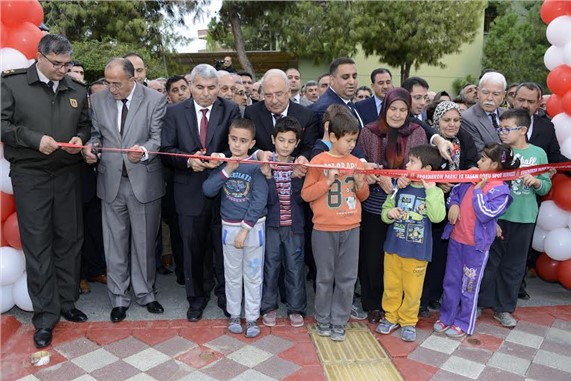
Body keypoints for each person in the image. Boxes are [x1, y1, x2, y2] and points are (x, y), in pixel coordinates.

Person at [1, 34, 91, 348]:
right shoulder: (12, 85)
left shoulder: (76, 89)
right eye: (57, 64)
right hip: (30, 175)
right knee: (38, 245)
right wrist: (32, 138)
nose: (62, 70)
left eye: (67, 65)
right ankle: (45, 317)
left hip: (67, 174)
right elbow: (2, 124)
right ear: (40, 57)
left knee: (70, 239)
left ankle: (67, 302)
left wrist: (81, 138)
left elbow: (85, 124)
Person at [82, 57, 166, 323]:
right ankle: (118, 298)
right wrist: (91, 148)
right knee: (114, 244)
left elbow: (157, 139)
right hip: (111, 182)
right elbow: (96, 135)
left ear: (133, 80)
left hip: (143, 181)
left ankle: (145, 293)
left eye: (117, 83)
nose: (112, 88)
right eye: (108, 82)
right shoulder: (98, 101)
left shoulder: (154, 100)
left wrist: (142, 152)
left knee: (143, 243)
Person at [161, 64, 241, 322]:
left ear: (219, 88)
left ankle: (226, 296)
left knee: (223, 248)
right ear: (190, 86)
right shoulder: (173, 112)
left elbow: (237, 145)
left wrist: (225, 156)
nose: (206, 93)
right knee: (192, 249)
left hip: (224, 190)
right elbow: (166, 149)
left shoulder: (230, 109)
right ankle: (196, 299)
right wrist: (187, 161)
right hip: (188, 191)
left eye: (211, 88)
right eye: (200, 87)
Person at [356, 87, 428, 324]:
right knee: (373, 257)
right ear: (384, 108)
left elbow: (422, 165)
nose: (397, 115)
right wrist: (375, 175)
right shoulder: (368, 131)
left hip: (407, 205)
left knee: (401, 258)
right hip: (375, 203)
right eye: (392, 109)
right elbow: (361, 162)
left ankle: (402, 306)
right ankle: (373, 304)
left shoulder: (417, 132)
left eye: (403, 110)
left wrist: (398, 182)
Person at [478, 109, 552, 328]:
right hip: (498, 216)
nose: (502, 133)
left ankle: (504, 308)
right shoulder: (500, 152)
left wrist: (537, 182)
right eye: (500, 128)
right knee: (490, 262)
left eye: (506, 129)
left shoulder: (538, 153)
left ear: (522, 130)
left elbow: (546, 185)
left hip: (525, 218)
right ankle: (481, 302)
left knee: (514, 265)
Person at [434, 143, 516, 338]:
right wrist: (453, 205)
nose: (478, 162)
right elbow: (454, 194)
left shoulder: (501, 191)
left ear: (495, 165)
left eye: (483, 159)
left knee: (469, 285)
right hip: (456, 239)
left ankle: (464, 322)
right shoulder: (470, 177)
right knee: (451, 280)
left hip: (476, 247)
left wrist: (479, 190)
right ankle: (446, 317)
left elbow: (485, 213)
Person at [302, 110, 369, 342]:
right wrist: (327, 181)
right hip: (323, 228)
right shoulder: (318, 162)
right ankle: (322, 318)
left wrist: (360, 183)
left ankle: (339, 321)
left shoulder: (355, 163)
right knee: (324, 277)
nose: (352, 145)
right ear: (332, 136)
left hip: (351, 227)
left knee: (347, 277)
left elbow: (363, 196)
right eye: (348, 140)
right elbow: (306, 194)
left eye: (354, 139)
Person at [202, 118, 269, 338]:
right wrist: (227, 170)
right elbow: (208, 189)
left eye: (243, 141)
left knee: (252, 275)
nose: (237, 145)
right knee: (231, 274)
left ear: (252, 143)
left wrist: (245, 228)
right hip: (228, 227)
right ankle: (233, 314)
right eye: (233, 139)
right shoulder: (223, 163)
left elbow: (260, 200)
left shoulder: (255, 167)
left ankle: (251, 318)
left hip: (252, 229)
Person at [376, 145, 446, 342]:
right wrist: (390, 213)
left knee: (413, 291)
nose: (407, 164)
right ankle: (390, 317)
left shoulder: (436, 193)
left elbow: (437, 217)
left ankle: (408, 321)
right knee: (391, 286)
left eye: (412, 161)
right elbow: (385, 211)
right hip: (393, 248)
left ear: (427, 170)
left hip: (417, 252)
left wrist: (431, 190)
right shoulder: (400, 186)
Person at [419, 101, 478, 318]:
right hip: (430, 202)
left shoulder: (465, 138)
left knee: (445, 253)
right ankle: (421, 299)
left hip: (456, 203)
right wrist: (437, 182)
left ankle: (434, 294)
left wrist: (466, 174)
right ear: (437, 121)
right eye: (447, 120)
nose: (452, 124)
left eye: (456, 120)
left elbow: (473, 163)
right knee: (428, 251)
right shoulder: (428, 139)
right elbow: (420, 167)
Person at [261, 117, 307, 328]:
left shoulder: (300, 167)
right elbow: (265, 198)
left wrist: (298, 177)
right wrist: (268, 176)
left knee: (295, 267)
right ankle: (268, 307)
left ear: (297, 143)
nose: (285, 145)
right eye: (281, 140)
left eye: (290, 141)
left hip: (294, 227)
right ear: (273, 139)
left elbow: (302, 198)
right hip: (271, 225)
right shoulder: (265, 163)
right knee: (270, 266)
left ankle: (296, 308)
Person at [460, 72, 507, 154]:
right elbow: (479, 152)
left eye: (496, 94)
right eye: (485, 93)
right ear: (478, 92)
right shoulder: (467, 118)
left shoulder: (508, 115)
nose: (489, 98)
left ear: (503, 95)